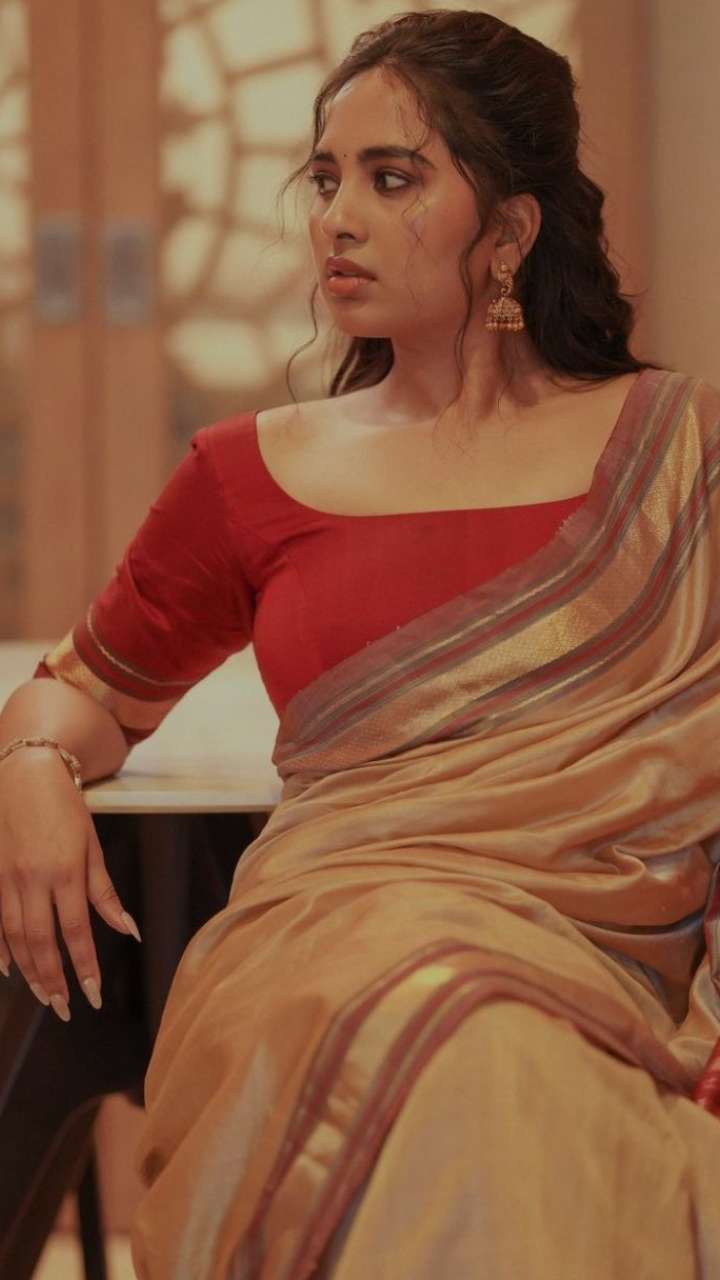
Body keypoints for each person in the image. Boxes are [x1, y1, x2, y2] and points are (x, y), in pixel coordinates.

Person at [1, 8, 720, 1276]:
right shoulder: (251, 472)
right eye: (326, 178)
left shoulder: (674, 454)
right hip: (328, 946)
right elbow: (86, 687)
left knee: (491, 1048)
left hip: (600, 963)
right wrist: (33, 768)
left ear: (510, 230)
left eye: (393, 179)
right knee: (449, 1018)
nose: (335, 217)